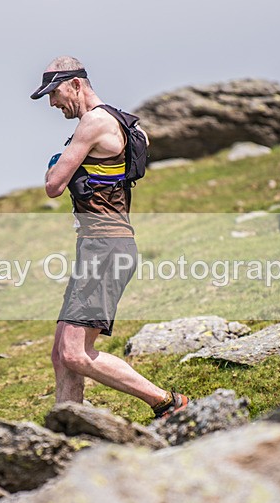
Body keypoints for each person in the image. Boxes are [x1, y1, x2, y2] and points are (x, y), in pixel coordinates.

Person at [31, 56, 188, 420]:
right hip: (101, 246)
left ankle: (167, 403)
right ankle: (68, 427)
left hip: (105, 247)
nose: (52, 103)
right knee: (61, 353)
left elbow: (54, 185)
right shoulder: (123, 122)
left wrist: (55, 164)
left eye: (54, 93)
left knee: (74, 353)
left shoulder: (94, 122)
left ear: (76, 84)